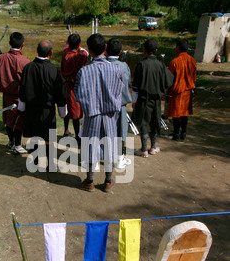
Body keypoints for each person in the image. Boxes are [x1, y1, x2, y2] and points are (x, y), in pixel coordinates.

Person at [74, 33, 124, 193]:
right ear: (106, 48)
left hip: (92, 115)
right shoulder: (115, 69)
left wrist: (89, 106)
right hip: (110, 115)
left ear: (89, 50)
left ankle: (89, 181)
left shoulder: (84, 71)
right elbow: (119, 91)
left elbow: (78, 94)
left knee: (90, 147)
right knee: (109, 146)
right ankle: (108, 181)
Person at [18, 40, 67, 170]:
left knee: (34, 135)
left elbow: (22, 89)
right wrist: (63, 112)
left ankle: (34, 160)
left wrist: (21, 106)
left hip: (31, 109)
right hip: (47, 111)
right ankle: (51, 165)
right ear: (51, 52)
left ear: (37, 51)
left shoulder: (28, 68)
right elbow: (61, 93)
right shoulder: (54, 70)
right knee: (49, 138)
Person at [132, 38, 174, 157]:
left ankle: (144, 149)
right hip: (156, 100)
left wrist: (134, 101)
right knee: (155, 122)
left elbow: (135, 86)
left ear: (144, 50)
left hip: (143, 99)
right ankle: (153, 147)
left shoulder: (141, 64)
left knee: (144, 123)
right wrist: (163, 92)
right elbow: (169, 80)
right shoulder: (161, 65)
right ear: (156, 50)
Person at [0, 32, 30, 154]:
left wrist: (3, 84)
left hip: (7, 95)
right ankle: (17, 144)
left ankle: (11, 142)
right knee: (18, 120)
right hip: (19, 96)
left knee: (9, 118)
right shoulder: (24, 61)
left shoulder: (1, 58)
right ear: (22, 45)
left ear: (9, 43)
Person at [106, 38, 132, 169]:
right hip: (119, 104)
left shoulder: (102, 65)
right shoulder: (123, 66)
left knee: (105, 131)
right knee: (121, 131)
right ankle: (120, 158)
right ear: (121, 51)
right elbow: (126, 84)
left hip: (104, 105)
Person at [167, 38, 197, 141]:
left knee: (176, 114)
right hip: (188, 91)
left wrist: (167, 90)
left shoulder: (174, 62)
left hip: (177, 91)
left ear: (178, 48)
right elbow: (194, 76)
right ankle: (183, 132)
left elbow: (169, 78)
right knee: (184, 113)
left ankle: (176, 134)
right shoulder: (192, 60)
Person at [61, 33, 88, 143]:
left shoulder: (65, 53)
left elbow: (68, 47)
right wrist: (80, 48)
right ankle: (77, 135)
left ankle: (66, 130)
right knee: (76, 112)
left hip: (65, 85)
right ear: (78, 45)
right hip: (74, 86)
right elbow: (85, 54)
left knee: (67, 109)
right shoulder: (78, 56)